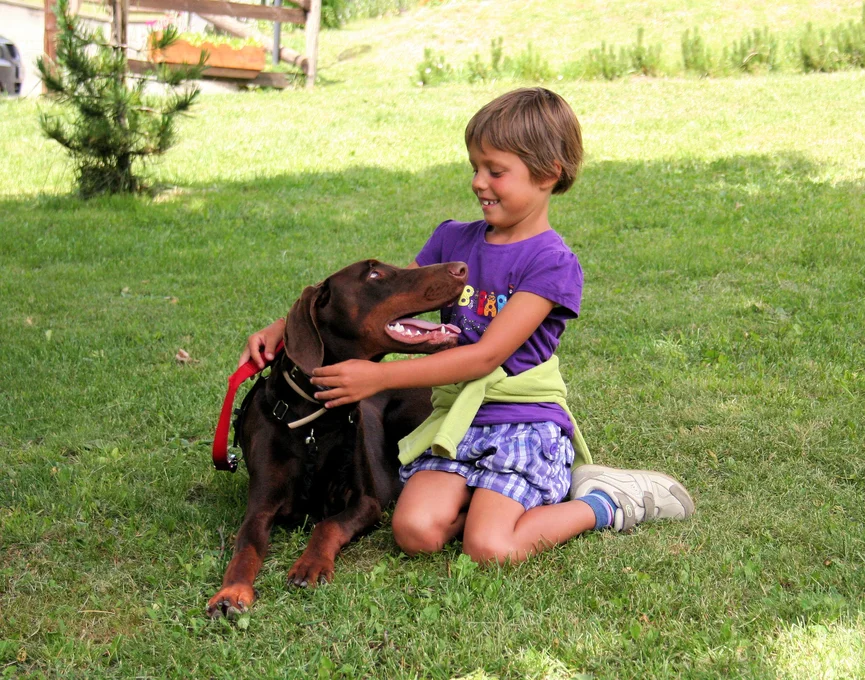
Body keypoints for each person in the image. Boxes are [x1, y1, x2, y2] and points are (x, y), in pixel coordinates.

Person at [240, 88, 694, 565]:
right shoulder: (454, 238)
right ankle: (496, 499)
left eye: (496, 171)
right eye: (474, 167)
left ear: (547, 174)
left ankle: (601, 502)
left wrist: (378, 377)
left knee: (490, 548)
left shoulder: (551, 263)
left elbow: (484, 357)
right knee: (414, 531)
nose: (479, 182)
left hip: (521, 424)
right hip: (455, 423)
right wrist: (286, 327)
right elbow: (388, 301)